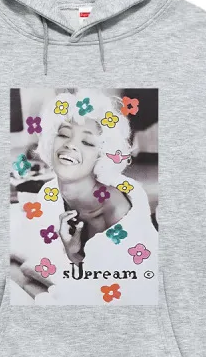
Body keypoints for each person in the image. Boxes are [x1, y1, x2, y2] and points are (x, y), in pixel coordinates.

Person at [10, 89, 158, 304]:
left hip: (119, 295)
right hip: (79, 278)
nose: (70, 145)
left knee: (19, 283)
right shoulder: (50, 193)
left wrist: (42, 294)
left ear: (102, 155)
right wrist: (72, 254)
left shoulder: (117, 213)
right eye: (63, 134)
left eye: (87, 142)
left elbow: (123, 295)